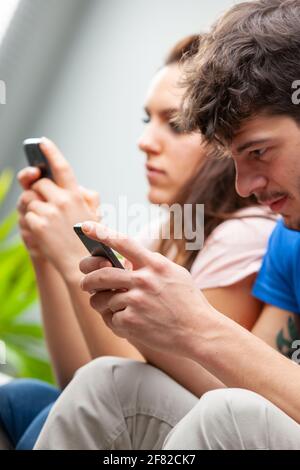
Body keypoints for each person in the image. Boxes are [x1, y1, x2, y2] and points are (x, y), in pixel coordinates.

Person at [33, 0, 300, 451]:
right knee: (109, 385)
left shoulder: (249, 231)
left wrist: (197, 327)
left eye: (257, 151)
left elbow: (240, 409)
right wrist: (160, 324)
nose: (244, 186)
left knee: (227, 414)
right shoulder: (287, 241)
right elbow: (256, 386)